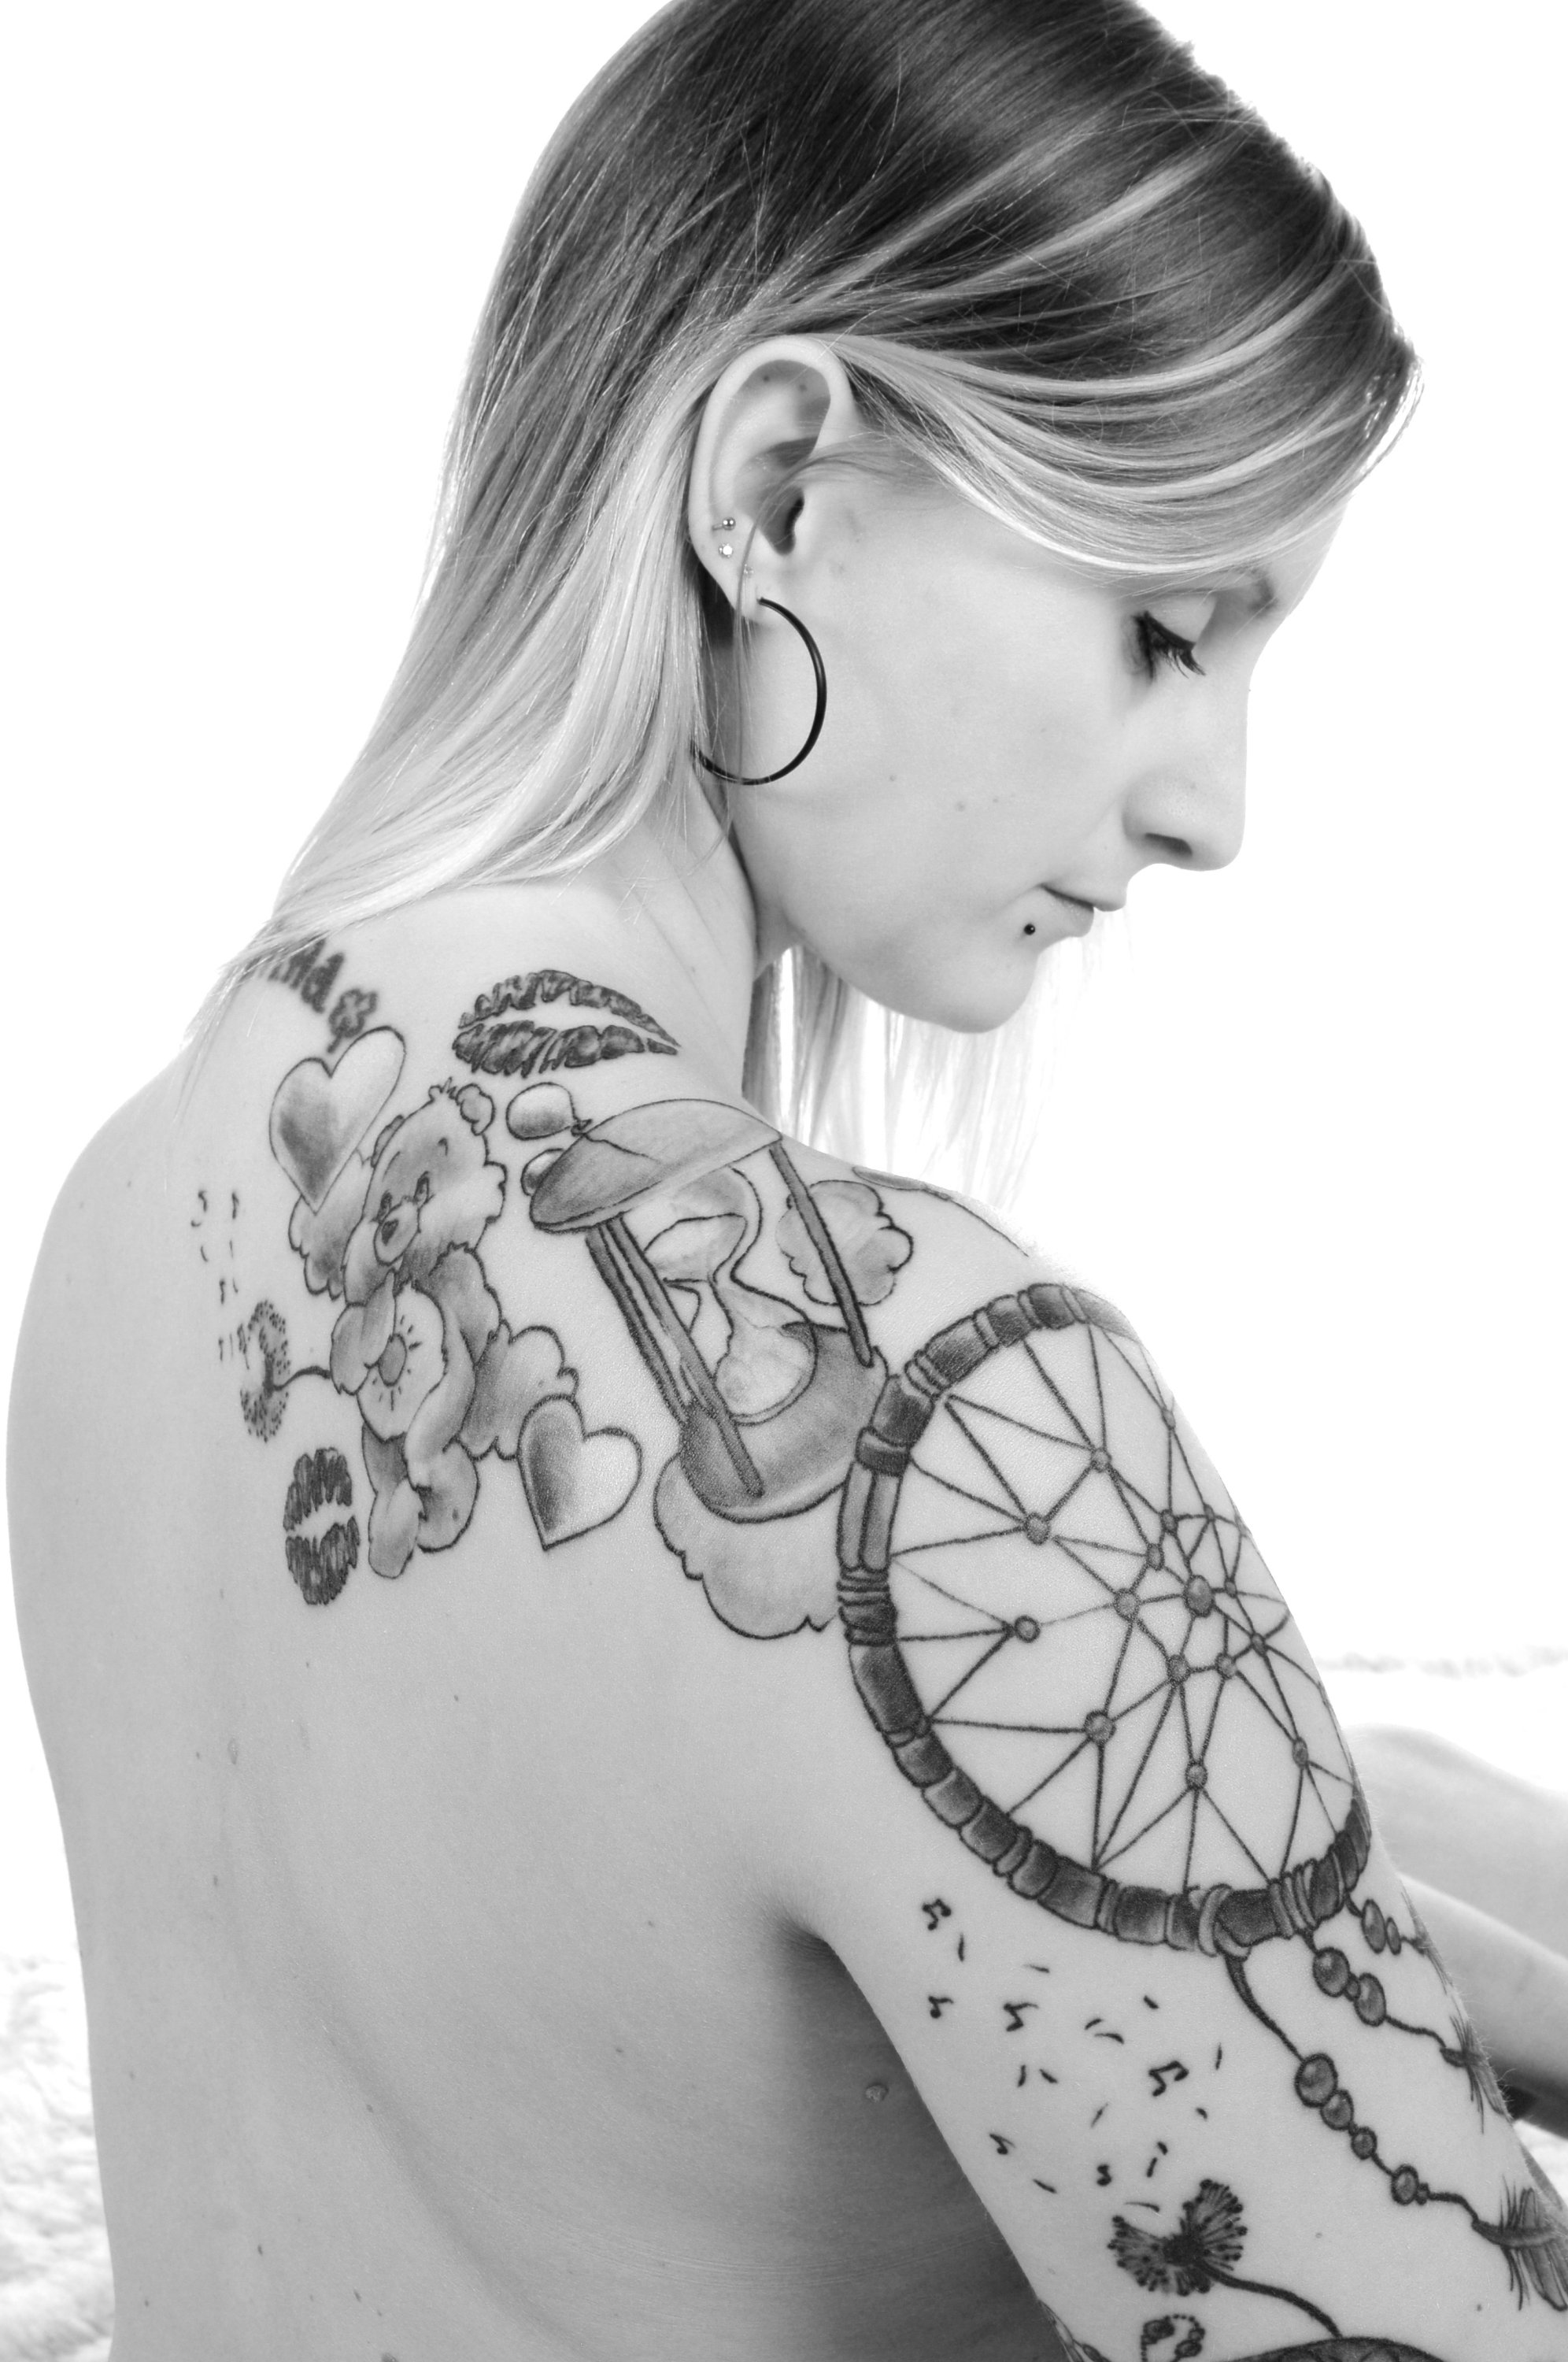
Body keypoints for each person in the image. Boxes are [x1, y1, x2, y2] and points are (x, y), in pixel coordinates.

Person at [9, 0, 1566, 2356]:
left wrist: (1316, 1838)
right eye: (1166, 631)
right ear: (774, 491)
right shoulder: (934, 1410)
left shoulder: (128, 1221)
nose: (1213, 812)